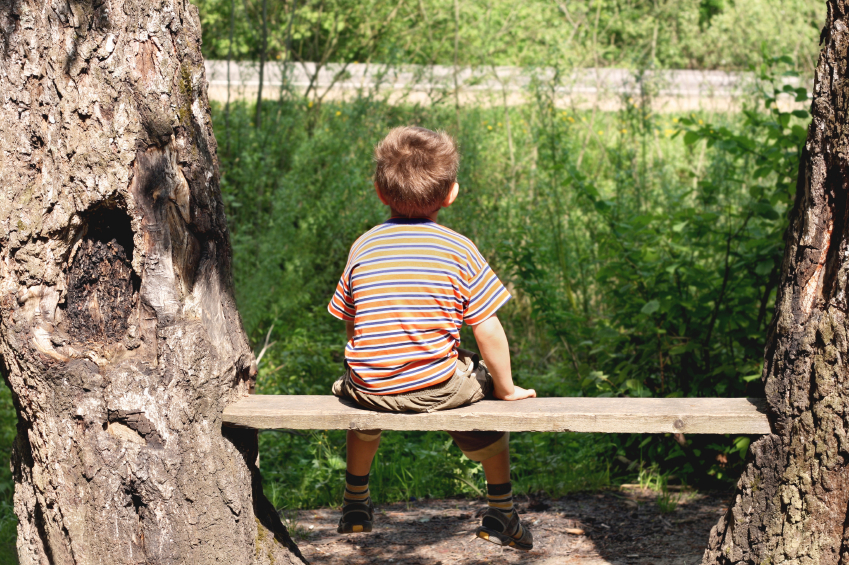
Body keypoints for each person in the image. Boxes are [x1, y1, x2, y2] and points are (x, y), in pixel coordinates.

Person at [327, 126, 536, 551]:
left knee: (360, 399)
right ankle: (501, 510)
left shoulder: (363, 246)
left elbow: (352, 321)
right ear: (451, 193)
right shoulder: (458, 249)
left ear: (379, 191)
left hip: (370, 387)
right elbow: (487, 327)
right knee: (484, 389)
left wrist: (364, 365)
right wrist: (507, 388)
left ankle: (355, 499)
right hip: (437, 386)